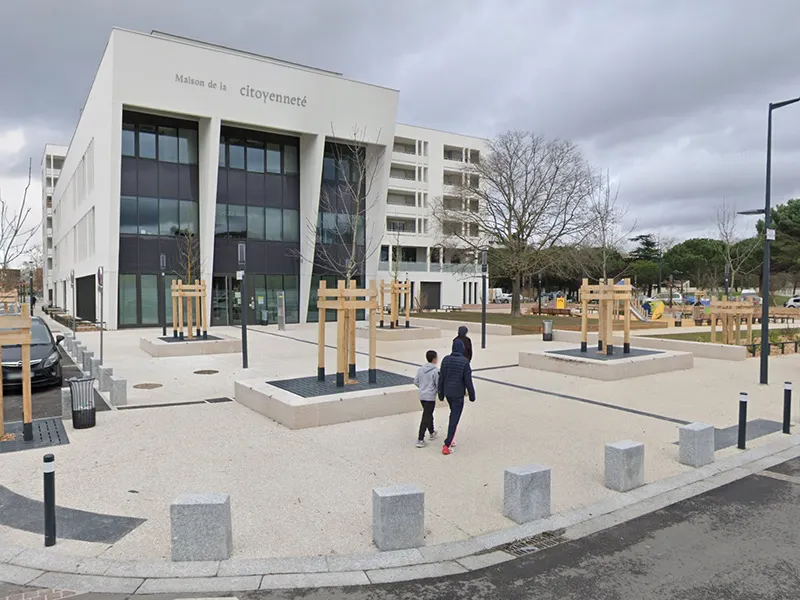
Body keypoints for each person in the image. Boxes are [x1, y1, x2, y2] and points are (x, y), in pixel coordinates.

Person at [437, 338, 476, 455]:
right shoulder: (465, 362)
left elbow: (441, 378)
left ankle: (451, 437)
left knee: (453, 414)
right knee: (454, 418)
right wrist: (472, 395)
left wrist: (440, 393)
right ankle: (447, 444)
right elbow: (468, 381)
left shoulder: (445, 360)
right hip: (458, 394)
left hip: (448, 393)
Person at [413, 349, 439, 448]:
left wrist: (422, 387)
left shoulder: (420, 369)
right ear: (434, 359)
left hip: (422, 396)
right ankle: (420, 438)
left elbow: (415, 381)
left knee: (428, 414)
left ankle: (432, 432)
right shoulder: (435, 371)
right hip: (430, 397)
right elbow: (437, 383)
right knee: (426, 416)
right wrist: (435, 391)